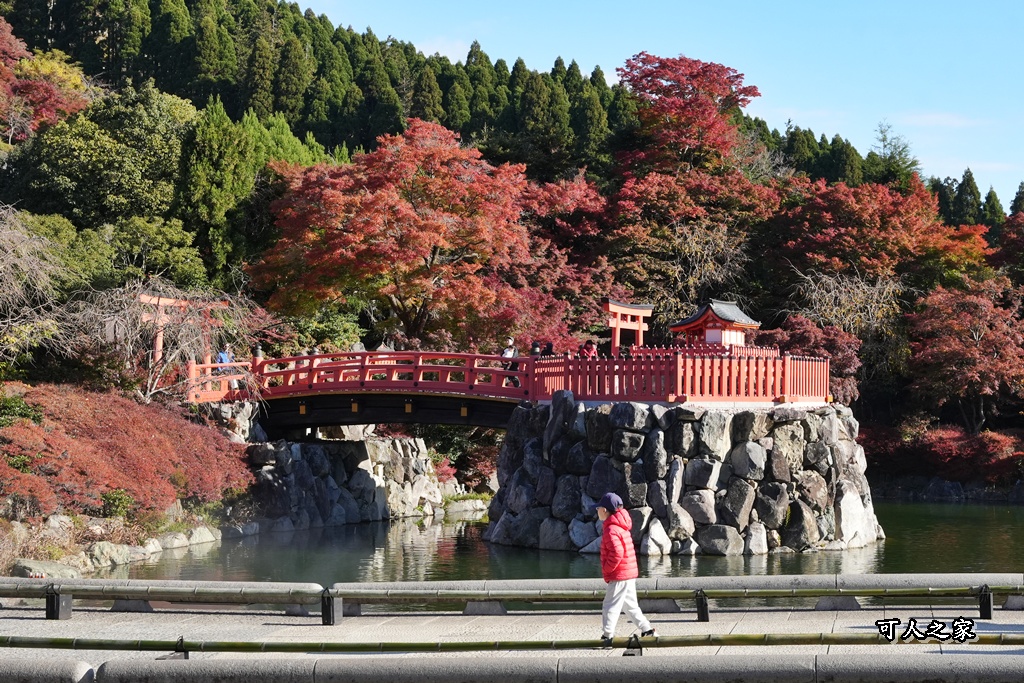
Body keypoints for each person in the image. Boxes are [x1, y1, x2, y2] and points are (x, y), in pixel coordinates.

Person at [595, 491, 658, 646]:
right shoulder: (621, 527)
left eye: (598, 508)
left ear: (604, 510)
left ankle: (607, 636)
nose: (597, 511)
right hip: (628, 573)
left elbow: (617, 553)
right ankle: (647, 630)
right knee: (630, 605)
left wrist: (607, 569)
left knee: (610, 605)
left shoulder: (611, 529)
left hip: (619, 574)